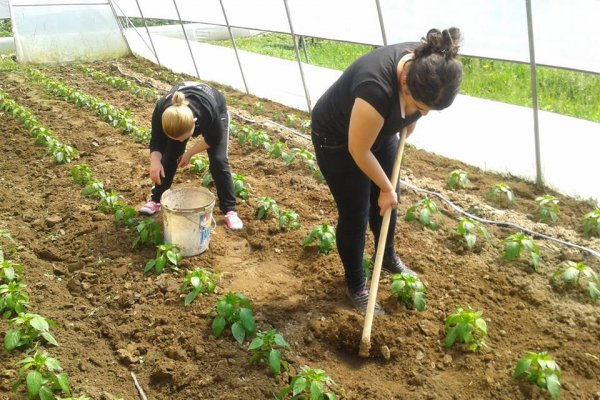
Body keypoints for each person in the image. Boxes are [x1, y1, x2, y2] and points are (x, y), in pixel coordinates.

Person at [310, 28, 463, 314]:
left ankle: (388, 257)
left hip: (378, 132)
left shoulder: (429, 64)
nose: (425, 113)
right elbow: (359, 150)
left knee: (390, 202)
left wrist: (413, 115)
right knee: (356, 212)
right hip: (339, 140)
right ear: (405, 83)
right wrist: (384, 187)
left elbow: (412, 110)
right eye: (420, 106)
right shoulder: (375, 89)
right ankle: (356, 285)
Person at [140, 81, 243, 231]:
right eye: (176, 138)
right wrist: (155, 162)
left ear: (195, 123)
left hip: (216, 111)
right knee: (170, 156)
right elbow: (157, 140)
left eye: (184, 137)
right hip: (181, 118)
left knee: (218, 161)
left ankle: (230, 210)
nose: (181, 141)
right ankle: (155, 199)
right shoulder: (162, 111)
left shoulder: (208, 111)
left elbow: (213, 139)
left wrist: (188, 154)